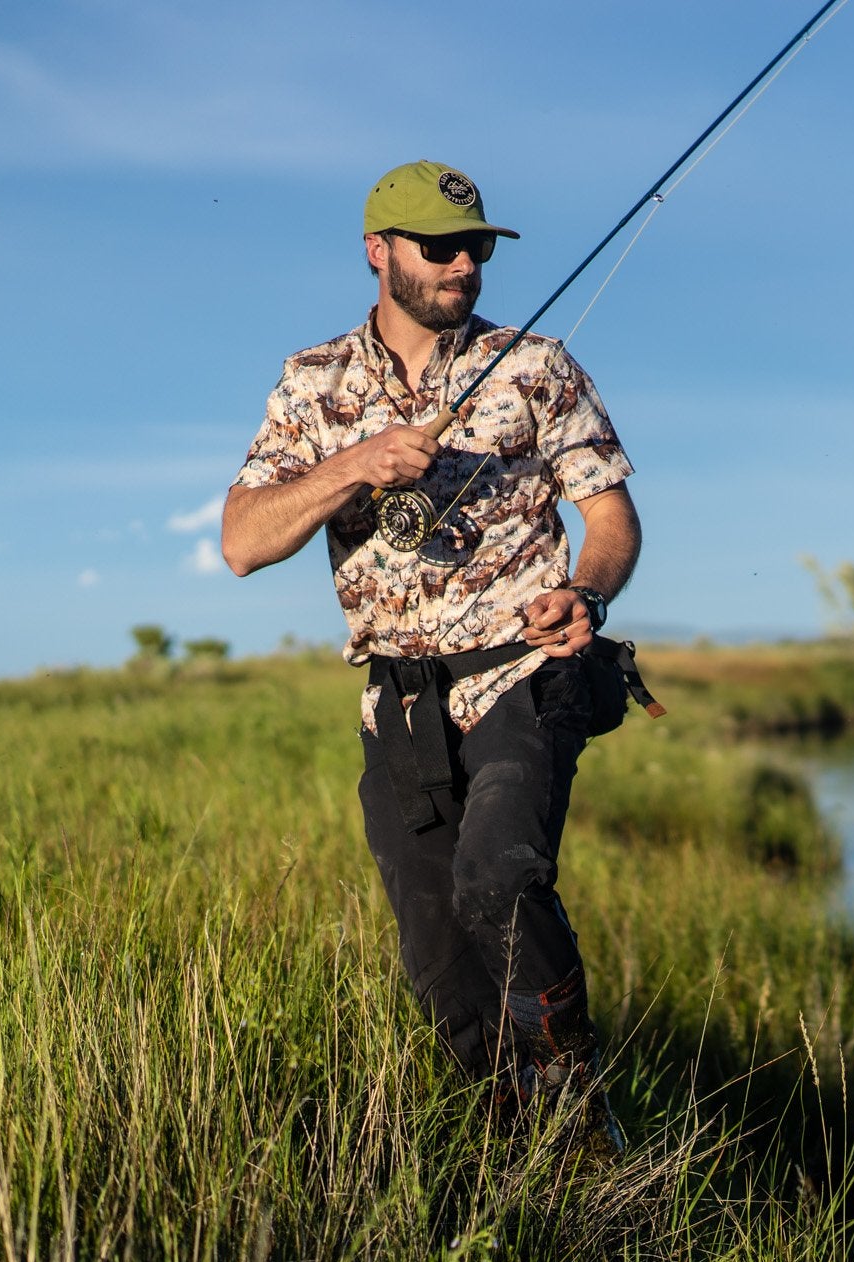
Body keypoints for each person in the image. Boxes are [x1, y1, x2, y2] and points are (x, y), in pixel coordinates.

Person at [221, 160, 641, 1153]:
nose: (462, 265)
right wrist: (356, 464)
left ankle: (577, 1113)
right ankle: (510, 1151)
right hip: (396, 703)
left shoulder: (537, 365)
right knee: (440, 968)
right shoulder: (311, 382)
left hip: (520, 674)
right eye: (438, 247)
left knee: (498, 875)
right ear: (377, 251)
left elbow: (611, 518)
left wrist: (585, 592)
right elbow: (243, 541)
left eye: (476, 248)